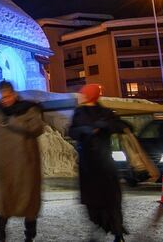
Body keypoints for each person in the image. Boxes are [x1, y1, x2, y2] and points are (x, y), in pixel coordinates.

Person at [0, 80, 45, 242]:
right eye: (2, 97)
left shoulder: (29, 108)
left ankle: (29, 237)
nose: (5, 100)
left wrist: (13, 122)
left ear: (14, 94)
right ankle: (0, 236)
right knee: (4, 202)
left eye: (8, 96)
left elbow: (37, 129)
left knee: (29, 202)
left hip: (26, 164)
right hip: (2, 164)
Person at [69, 84, 128, 242]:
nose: (79, 95)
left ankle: (117, 232)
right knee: (91, 201)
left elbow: (120, 126)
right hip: (88, 164)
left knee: (110, 200)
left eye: (82, 93)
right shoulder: (78, 112)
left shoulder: (105, 113)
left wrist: (104, 126)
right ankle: (100, 225)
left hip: (104, 163)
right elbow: (72, 131)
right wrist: (84, 130)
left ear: (89, 95)